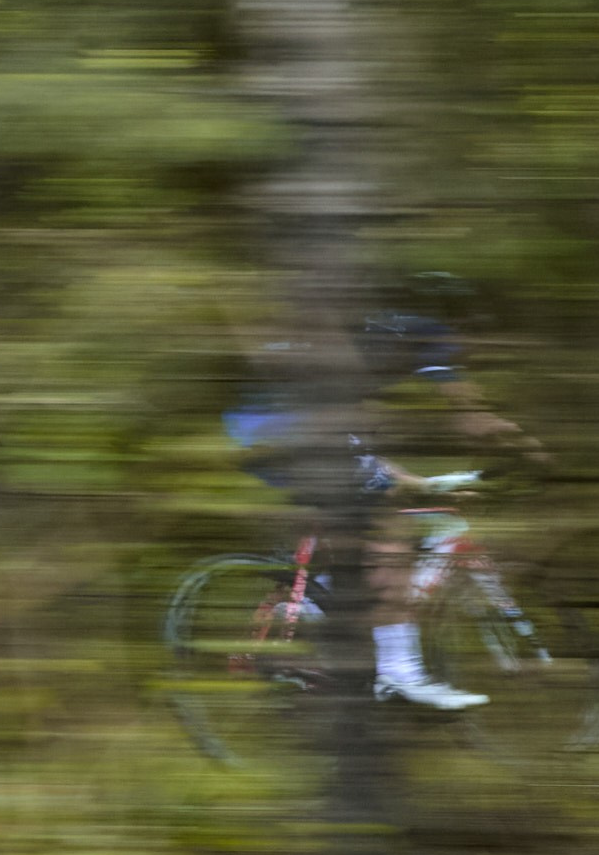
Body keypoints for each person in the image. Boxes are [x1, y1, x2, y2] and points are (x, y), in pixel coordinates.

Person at [225, 299, 545, 711]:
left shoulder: (390, 344)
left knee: (381, 501)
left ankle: (308, 599)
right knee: (388, 535)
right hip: (278, 425)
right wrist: (516, 443)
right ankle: (398, 673)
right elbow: (465, 414)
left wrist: (423, 483)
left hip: (287, 425)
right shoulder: (417, 337)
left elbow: (364, 444)